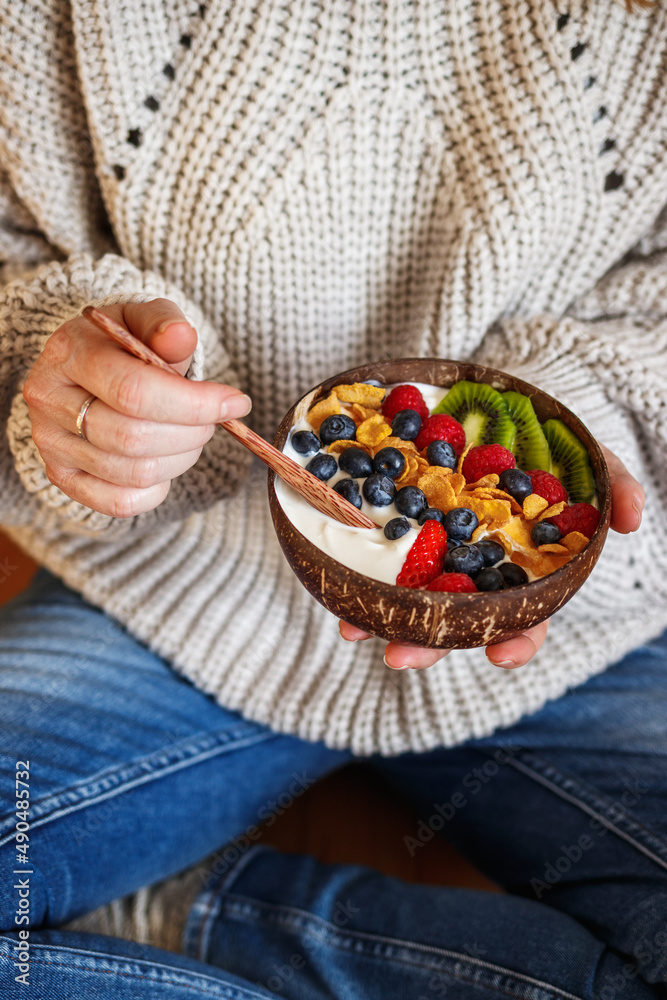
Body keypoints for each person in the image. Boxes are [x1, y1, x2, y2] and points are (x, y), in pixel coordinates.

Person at [0, 0, 666, 996]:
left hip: (573, 626)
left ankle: (179, 922)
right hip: (177, 591)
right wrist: (60, 366)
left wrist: (570, 437)